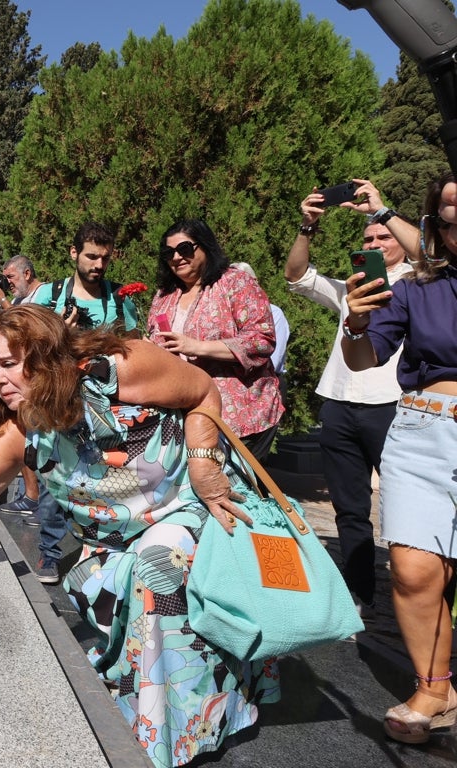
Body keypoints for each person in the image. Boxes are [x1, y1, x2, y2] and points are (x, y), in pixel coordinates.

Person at [0, 305, 278, 767]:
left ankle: (157, 742)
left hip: (192, 502)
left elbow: (203, 390)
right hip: (117, 538)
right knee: (136, 572)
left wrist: (205, 463)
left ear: (45, 355)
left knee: (158, 562)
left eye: (9, 363)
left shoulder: (118, 369)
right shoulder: (22, 425)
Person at [342, 172, 457, 745]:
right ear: (437, 225)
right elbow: (363, 357)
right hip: (422, 428)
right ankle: (435, 689)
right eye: (450, 216)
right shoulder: (415, 287)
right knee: (412, 572)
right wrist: (355, 323)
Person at [285, 179, 417, 617]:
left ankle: (414, 592)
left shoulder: (421, 281)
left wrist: (381, 211)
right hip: (340, 404)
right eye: (368, 239)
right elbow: (297, 277)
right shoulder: (351, 288)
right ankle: (360, 592)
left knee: (405, 506)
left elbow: (432, 255)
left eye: (383, 236)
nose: (375, 243)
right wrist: (307, 227)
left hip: (394, 405)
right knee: (349, 508)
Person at [147, 219, 283, 459]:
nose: (176, 257)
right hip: (183, 414)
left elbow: (262, 340)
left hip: (238, 415)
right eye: (169, 253)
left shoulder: (235, 282)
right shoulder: (164, 295)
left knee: (233, 482)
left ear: (205, 246)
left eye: (184, 249)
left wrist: (197, 347)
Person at [0, 254, 66, 583]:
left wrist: (6, 303)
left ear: (27, 273)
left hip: (49, 394)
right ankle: (48, 546)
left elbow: (39, 335)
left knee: (54, 473)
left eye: (11, 277)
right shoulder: (15, 301)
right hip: (29, 400)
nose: (7, 283)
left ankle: (53, 548)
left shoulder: (46, 295)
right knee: (41, 465)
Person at [32, 222, 140, 336]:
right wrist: (62, 333)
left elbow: (133, 342)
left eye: (105, 258)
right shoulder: (49, 295)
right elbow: (33, 342)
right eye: (92, 257)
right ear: (74, 253)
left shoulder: (119, 296)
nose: (99, 265)